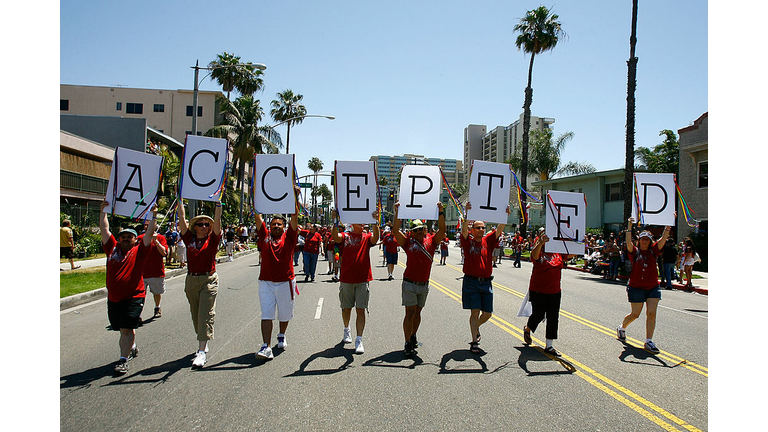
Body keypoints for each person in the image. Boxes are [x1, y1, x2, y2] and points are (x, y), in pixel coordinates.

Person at [99, 200, 157, 375]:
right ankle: (132, 346)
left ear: (134, 239)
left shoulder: (140, 250)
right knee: (123, 327)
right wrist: (103, 212)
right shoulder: (112, 248)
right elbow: (104, 229)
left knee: (125, 328)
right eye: (123, 236)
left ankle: (123, 360)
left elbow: (149, 232)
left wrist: (154, 215)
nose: (125, 239)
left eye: (129, 237)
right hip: (114, 298)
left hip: (134, 296)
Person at [392, 202, 446, 356]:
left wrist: (441, 212)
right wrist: (397, 212)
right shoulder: (407, 242)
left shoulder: (432, 242)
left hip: (424, 284)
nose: (420, 232)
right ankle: (407, 342)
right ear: (412, 232)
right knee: (409, 312)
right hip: (409, 282)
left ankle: (413, 334)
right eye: (416, 230)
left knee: (418, 312)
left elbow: (442, 229)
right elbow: (395, 230)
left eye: (422, 229)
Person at [253, 193, 300, 360]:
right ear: (269, 226)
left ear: (284, 227)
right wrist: (256, 193)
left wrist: (294, 196)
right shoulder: (264, 236)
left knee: (284, 314)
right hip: (266, 283)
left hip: (286, 282)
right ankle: (266, 346)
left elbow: (295, 216)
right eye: (274, 224)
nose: (276, 226)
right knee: (266, 314)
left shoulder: (289, 238)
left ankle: (281, 334)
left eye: (279, 224)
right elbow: (257, 215)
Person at [616, 217, 672, 354]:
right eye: (642, 239)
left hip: (653, 287)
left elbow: (663, 238)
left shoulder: (654, 250)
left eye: (647, 239)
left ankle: (649, 341)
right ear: (639, 241)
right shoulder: (634, 252)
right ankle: (622, 327)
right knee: (635, 314)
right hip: (636, 287)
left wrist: (668, 223)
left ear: (650, 241)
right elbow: (628, 241)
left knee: (651, 314)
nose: (644, 241)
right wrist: (629, 225)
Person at [177, 201, 222, 368]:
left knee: (205, 314)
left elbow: (217, 222)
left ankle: (201, 351)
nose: (204, 227)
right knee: (196, 315)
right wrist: (179, 199)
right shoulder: (188, 238)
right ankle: (204, 338)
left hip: (208, 280)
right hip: (191, 280)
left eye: (206, 225)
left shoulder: (213, 240)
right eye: (200, 224)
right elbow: (181, 217)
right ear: (194, 227)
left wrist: (218, 206)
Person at [460, 202, 509, 354]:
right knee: (474, 312)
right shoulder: (467, 241)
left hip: (486, 282)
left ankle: (476, 327)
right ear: (472, 229)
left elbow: (500, 228)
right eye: (478, 227)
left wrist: (505, 214)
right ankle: (474, 341)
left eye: (483, 227)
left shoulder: (489, 240)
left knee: (487, 314)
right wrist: (467, 215)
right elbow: (463, 230)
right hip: (471, 282)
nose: (481, 229)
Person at [331, 209, 380, 354]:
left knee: (361, 310)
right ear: (352, 223)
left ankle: (359, 339)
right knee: (346, 309)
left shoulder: (366, 237)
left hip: (362, 280)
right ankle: (347, 329)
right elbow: (335, 236)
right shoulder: (345, 236)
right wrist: (335, 221)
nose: (363, 222)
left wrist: (375, 221)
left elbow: (375, 238)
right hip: (346, 279)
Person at [522, 234, 575, 356]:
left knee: (553, 317)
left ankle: (549, 345)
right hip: (538, 290)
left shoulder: (558, 251)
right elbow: (534, 256)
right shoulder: (539, 250)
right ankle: (528, 329)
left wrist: (580, 243)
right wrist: (540, 243)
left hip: (555, 291)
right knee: (538, 314)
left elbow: (570, 254)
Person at [138, 222, 168, 319]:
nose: (148, 227)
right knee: (140, 295)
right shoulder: (139, 238)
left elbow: (164, 253)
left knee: (157, 293)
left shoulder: (161, 238)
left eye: (150, 224)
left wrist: (156, 241)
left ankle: (157, 307)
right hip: (141, 273)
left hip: (156, 272)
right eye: (146, 225)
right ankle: (138, 314)